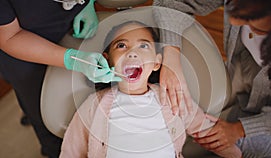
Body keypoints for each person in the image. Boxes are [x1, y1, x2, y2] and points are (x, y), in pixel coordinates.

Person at [59, 21, 241, 158]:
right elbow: (72, 151)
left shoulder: (171, 97)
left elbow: (206, 131)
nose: (132, 52)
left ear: (157, 62)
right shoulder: (94, 105)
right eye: (121, 45)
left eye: (143, 46)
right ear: (108, 60)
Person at [153, 0, 271, 157]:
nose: (233, 21)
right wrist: (171, 58)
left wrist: (238, 130)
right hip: (240, 76)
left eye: (252, 23)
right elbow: (171, 2)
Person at [0, 0, 120, 157]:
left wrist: (87, 3)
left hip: (73, 21)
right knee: (45, 117)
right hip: (22, 46)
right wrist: (71, 59)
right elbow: (10, 36)